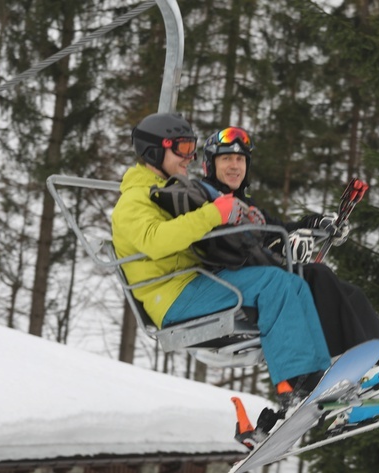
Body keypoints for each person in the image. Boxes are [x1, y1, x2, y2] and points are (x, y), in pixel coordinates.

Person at [111, 113, 332, 407]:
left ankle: (317, 375)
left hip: (195, 284)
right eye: (182, 149)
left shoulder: (169, 190)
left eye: (192, 148)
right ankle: (294, 382)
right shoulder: (134, 200)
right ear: (153, 150)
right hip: (172, 297)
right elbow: (157, 241)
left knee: (294, 283)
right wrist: (215, 212)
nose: (189, 158)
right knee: (275, 284)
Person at [199, 126, 379, 358]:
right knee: (319, 276)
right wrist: (274, 248)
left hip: (264, 277)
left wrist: (316, 223)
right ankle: (336, 358)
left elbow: (277, 229)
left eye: (240, 159)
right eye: (226, 158)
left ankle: (373, 362)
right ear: (210, 165)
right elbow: (221, 245)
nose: (235, 165)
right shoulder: (206, 201)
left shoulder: (246, 205)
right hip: (231, 285)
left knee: (351, 294)